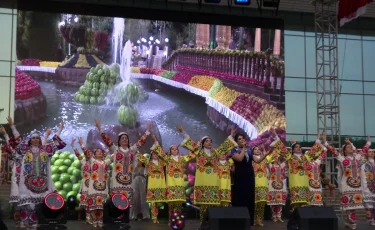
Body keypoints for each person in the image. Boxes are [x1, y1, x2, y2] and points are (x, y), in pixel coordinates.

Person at [94, 119, 151, 223]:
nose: (125, 140)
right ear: (119, 141)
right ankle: (115, 218)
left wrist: (147, 131)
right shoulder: (115, 149)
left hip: (129, 181)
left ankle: (125, 220)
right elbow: (106, 140)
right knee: (116, 199)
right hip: (117, 181)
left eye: (126, 138)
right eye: (122, 138)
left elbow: (141, 142)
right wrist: (99, 128)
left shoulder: (132, 150)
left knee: (128, 201)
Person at [178, 125, 237, 223]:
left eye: (210, 141)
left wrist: (231, 135)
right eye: (207, 141)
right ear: (202, 144)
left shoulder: (215, 153)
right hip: (203, 182)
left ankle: (212, 224)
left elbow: (225, 145)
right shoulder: (199, 152)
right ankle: (203, 224)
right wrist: (183, 132)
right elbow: (190, 143)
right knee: (203, 206)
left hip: (213, 183)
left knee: (214, 205)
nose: (209, 142)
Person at [15, 121, 66, 229]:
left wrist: (60, 128)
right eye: (33, 138)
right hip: (27, 183)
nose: (35, 139)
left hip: (42, 184)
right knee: (27, 205)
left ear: (40, 140)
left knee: (39, 207)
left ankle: (37, 224)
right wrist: (12, 126)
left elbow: (55, 142)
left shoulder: (45, 150)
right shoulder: (25, 150)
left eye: (37, 138)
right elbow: (17, 139)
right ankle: (26, 223)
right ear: (30, 140)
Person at [271, 131, 325, 213]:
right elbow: (282, 148)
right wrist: (276, 135)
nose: (298, 148)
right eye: (296, 147)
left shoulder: (306, 157)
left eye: (300, 147)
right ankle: (295, 222)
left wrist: (318, 139)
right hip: (295, 182)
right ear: (292, 150)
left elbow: (314, 150)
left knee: (304, 205)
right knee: (296, 205)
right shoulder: (290, 157)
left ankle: (302, 223)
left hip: (304, 183)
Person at [150, 133, 196, 222]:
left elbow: (193, 153)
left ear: (178, 151)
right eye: (173, 149)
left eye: (176, 149)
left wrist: (185, 135)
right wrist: (155, 140)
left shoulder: (182, 159)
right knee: (171, 206)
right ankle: (171, 220)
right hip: (171, 185)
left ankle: (176, 221)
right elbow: (159, 150)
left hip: (179, 185)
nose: (175, 150)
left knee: (178, 206)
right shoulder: (167, 159)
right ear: (170, 151)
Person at [230, 133, 272, 226]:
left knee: (250, 198)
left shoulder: (249, 150)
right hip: (240, 178)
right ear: (236, 142)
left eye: (243, 139)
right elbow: (240, 159)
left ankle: (249, 222)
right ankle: (240, 221)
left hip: (250, 177)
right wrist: (243, 149)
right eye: (240, 139)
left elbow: (257, 161)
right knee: (241, 199)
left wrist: (264, 155)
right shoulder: (234, 150)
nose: (242, 140)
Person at [326, 137, 367, 229]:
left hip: (356, 185)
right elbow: (334, 151)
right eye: (348, 147)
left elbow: (363, 151)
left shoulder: (357, 158)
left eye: (351, 147)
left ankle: (350, 221)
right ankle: (351, 222)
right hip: (346, 185)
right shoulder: (342, 159)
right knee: (348, 205)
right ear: (344, 151)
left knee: (354, 206)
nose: (351, 148)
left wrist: (367, 142)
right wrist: (325, 143)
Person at [78, 137, 113, 228]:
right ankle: (94, 220)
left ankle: (100, 220)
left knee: (101, 205)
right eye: (97, 151)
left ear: (103, 154)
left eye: (100, 151)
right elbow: (86, 153)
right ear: (94, 154)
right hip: (93, 187)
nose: (99, 152)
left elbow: (114, 156)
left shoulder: (106, 162)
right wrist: (81, 145)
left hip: (103, 187)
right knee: (93, 205)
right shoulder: (92, 161)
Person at [1, 117, 23, 227]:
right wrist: (5, 133)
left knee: (26, 201)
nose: (18, 143)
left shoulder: (27, 152)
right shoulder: (14, 153)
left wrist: (12, 126)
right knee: (16, 202)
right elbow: (10, 144)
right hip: (16, 180)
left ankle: (25, 220)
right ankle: (18, 221)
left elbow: (18, 138)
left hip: (26, 181)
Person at [137, 147, 167, 224]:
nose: (155, 155)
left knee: (160, 202)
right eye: (153, 154)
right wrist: (136, 151)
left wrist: (158, 149)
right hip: (152, 184)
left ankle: (165, 217)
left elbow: (166, 158)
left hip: (161, 184)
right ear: (151, 155)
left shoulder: (162, 162)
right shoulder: (149, 163)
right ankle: (154, 217)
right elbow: (141, 157)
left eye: (156, 153)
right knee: (153, 202)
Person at [71, 138, 92, 224]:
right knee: (85, 200)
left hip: (93, 183)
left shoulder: (94, 161)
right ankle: (85, 217)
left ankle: (91, 217)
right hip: (85, 183)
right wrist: (73, 146)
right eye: (87, 153)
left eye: (90, 153)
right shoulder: (83, 161)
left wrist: (82, 144)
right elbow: (77, 154)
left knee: (92, 200)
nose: (88, 154)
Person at [307, 134, 327, 207]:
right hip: (308, 185)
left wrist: (321, 142)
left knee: (318, 204)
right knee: (310, 204)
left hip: (317, 185)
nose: (312, 154)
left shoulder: (317, 162)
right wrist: (317, 141)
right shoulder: (305, 163)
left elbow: (325, 150)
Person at [267, 154, 287, 223]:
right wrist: (271, 155)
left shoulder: (281, 165)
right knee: (273, 201)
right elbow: (267, 160)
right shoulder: (270, 165)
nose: (276, 158)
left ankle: (279, 216)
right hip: (272, 185)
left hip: (281, 185)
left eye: (277, 157)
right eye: (275, 157)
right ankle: (274, 216)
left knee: (279, 201)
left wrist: (282, 153)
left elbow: (287, 159)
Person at [359, 136, 375, 225]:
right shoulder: (363, 163)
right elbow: (361, 153)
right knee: (368, 204)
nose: (371, 153)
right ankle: (371, 219)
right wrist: (368, 144)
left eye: (373, 152)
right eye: (370, 152)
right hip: (367, 186)